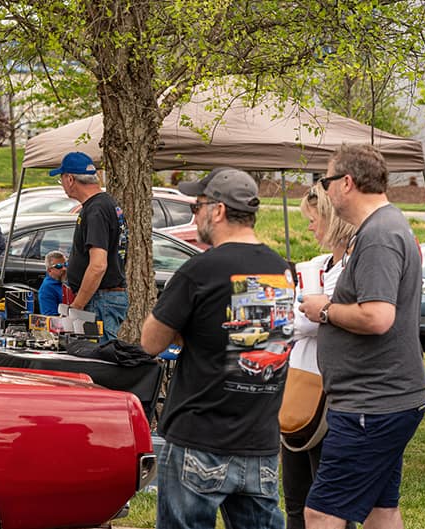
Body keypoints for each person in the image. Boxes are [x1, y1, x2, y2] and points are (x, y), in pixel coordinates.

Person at [140, 167, 292, 529]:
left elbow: (150, 342)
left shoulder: (201, 270)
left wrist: (186, 331)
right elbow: (256, 350)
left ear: (218, 210)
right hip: (259, 442)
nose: (194, 214)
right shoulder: (281, 270)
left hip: (200, 436)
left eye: (197, 205)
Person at [298, 144, 425, 529]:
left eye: (326, 180)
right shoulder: (384, 227)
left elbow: (377, 316)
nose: (325, 189)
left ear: (347, 183)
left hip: (371, 405)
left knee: (321, 513)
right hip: (383, 399)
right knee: (380, 510)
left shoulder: (379, 236)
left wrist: (323, 309)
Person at [283, 185, 356, 529]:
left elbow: (305, 321)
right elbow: (298, 318)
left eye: (314, 220)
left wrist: (309, 312)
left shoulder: (350, 269)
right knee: (296, 499)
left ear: (333, 219)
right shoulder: (316, 264)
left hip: (333, 393)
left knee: (330, 504)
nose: (310, 228)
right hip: (299, 388)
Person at [52, 151, 127, 343]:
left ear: (70, 179)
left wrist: (77, 305)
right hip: (104, 298)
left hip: (101, 300)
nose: (63, 186)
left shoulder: (96, 210)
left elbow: (98, 265)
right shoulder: (104, 204)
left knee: (98, 361)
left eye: (61, 180)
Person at [38, 250, 68, 315]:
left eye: (65, 264)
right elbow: (51, 317)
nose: (64, 269)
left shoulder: (68, 281)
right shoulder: (47, 288)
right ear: (49, 270)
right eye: (59, 266)